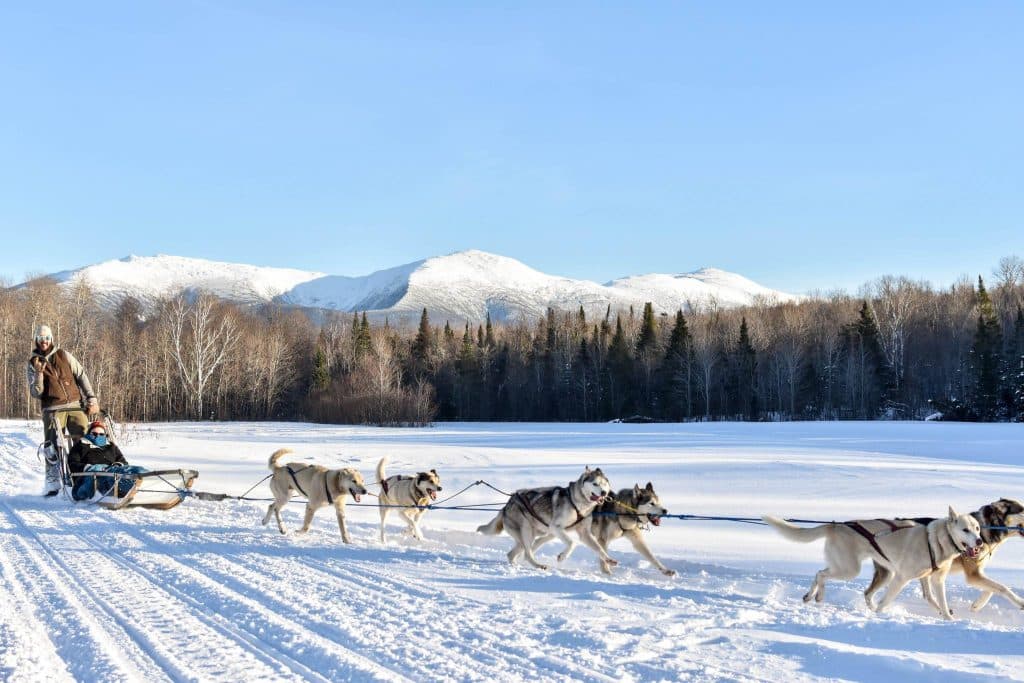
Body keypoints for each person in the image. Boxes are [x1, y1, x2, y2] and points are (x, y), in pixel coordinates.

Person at [26, 324, 100, 495]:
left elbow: (81, 375)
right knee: (51, 446)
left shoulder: (63, 355)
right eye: (40, 338)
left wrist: (92, 398)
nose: (43, 341)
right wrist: (38, 374)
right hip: (52, 410)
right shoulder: (33, 363)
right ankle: (52, 483)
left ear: (51, 339)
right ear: (36, 340)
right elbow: (36, 393)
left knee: (84, 441)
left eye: (46, 338)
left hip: (75, 405)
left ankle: (84, 478)